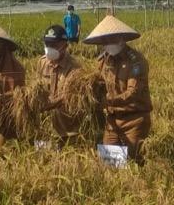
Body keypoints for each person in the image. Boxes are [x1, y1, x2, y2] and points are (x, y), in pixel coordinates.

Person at [84, 15, 152, 164]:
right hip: (112, 120)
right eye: (104, 41)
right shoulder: (103, 61)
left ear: (121, 39)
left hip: (134, 119)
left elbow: (133, 93)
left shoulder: (136, 61)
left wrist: (108, 101)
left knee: (134, 161)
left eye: (110, 40)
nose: (107, 44)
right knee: (109, 162)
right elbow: (97, 82)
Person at [37, 25, 81, 145]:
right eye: (47, 44)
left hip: (67, 129)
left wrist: (49, 105)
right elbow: (37, 88)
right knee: (42, 155)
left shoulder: (75, 67)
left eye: (54, 45)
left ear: (65, 46)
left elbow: (69, 96)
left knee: (67, 154)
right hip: (45, 127)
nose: (50, 48)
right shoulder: (42, 62)